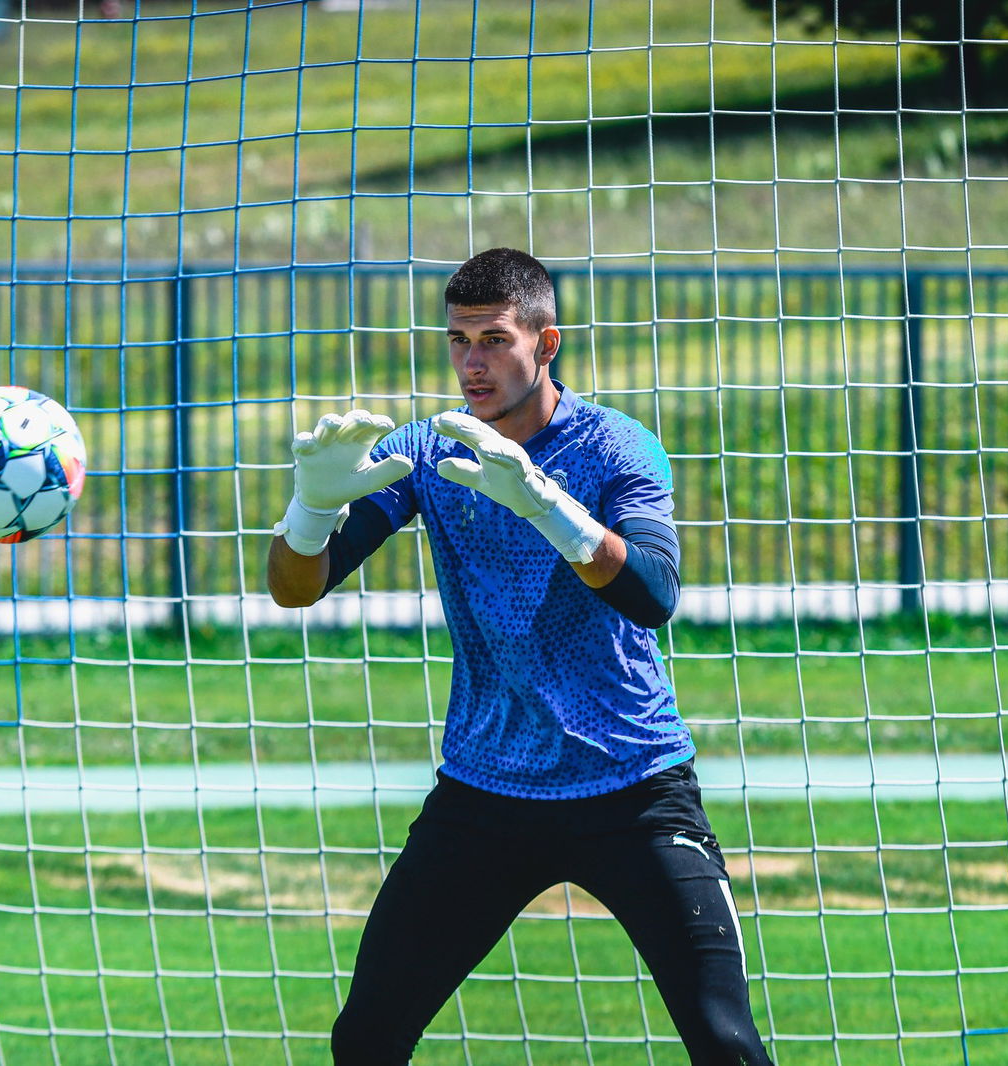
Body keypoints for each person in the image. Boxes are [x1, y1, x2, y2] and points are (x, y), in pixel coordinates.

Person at [266, 248, 775, 1066]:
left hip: (632, 787)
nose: (472, 361)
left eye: (494, 338)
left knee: (725, 1044)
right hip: (485, 796)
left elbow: (653, 594)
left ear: (546, 344)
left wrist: (548, 507)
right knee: (364, 1038)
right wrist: (311, 509)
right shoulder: (431, 448)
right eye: (458, 339)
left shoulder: (616, 448)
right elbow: (298, 589)